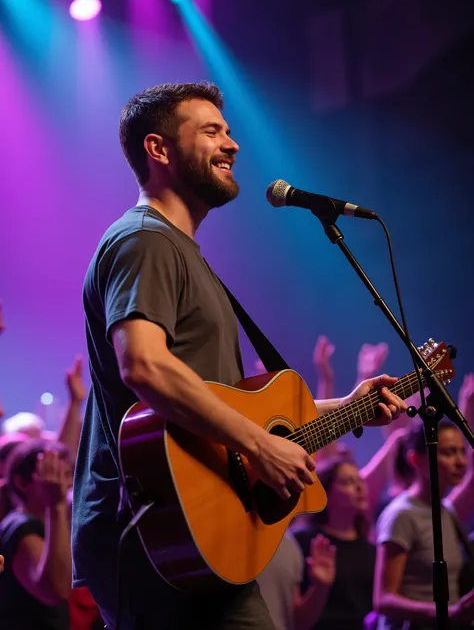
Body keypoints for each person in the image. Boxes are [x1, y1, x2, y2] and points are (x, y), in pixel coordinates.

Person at [71, 81, 406, 630]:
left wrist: (349, 405)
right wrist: (259, 447)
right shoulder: (144, 240)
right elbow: (144, 366)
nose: (233, 145)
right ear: (158, 149)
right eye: (211, 132)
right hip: (152, 532)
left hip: (201, 527)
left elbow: (228, 410)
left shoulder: (184, 254)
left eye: (227, 131)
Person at [374, 418, 474, 630]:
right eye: (448, 453)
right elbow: (383, 599)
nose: (461, 462)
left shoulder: (446, 511)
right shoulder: (402, 515)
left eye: (461, 451)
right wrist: (447, 612)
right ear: (415, 460)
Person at [294, 455, 376, 630]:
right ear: (326, 493)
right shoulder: (304, 540)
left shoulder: (371, 549)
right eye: (348, 482)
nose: (360, 487)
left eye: (360, 480)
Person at [0, 438, 72, 630]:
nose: (66, 484)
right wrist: (55, 505)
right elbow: (55, 591)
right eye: (55, 476)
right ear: (22, 483)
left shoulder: (43, 523)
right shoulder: (21, 527)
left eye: (66, 475)